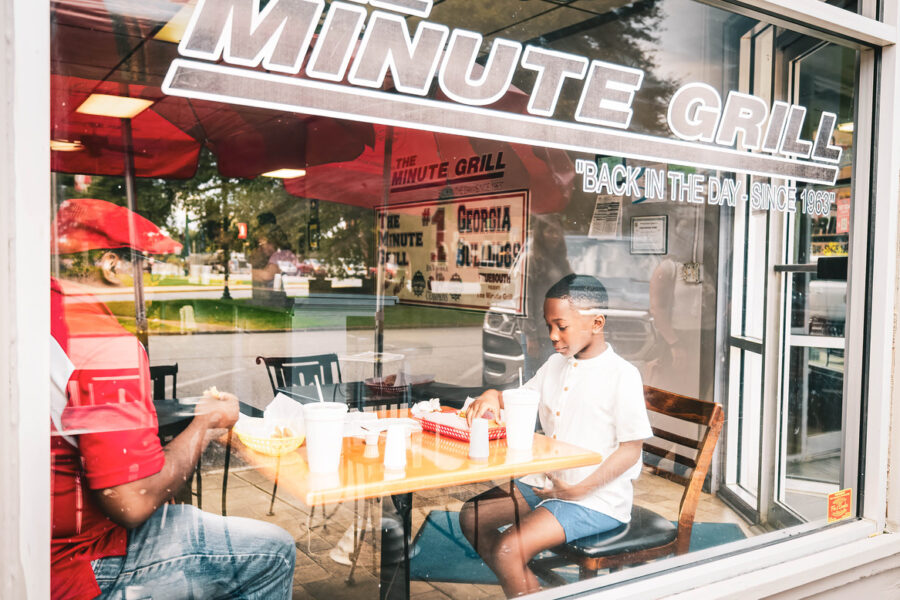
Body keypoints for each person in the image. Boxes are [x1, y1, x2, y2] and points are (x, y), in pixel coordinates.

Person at [50, 204, 296, 599]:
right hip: (78, 564)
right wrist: (204, 425)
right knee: (274, 552)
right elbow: (132, 501)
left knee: (187, 517)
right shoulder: (103, 344)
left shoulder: (33, 310)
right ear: (111, 266)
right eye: (144, 267)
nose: (149, 281)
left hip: (34, 545)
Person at [460, 274, 652, 597]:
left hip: (594, 498)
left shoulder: (622, 375)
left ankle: (518, 574)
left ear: (596, 322)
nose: (552, 335)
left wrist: (578, 489)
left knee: (508, 550)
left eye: (561, 326)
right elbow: (519, 402)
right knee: (472, 518)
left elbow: (631, 450)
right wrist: (494, 395)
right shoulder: (554, 365)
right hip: (547, 484)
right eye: (549, 326)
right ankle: (525, 584)